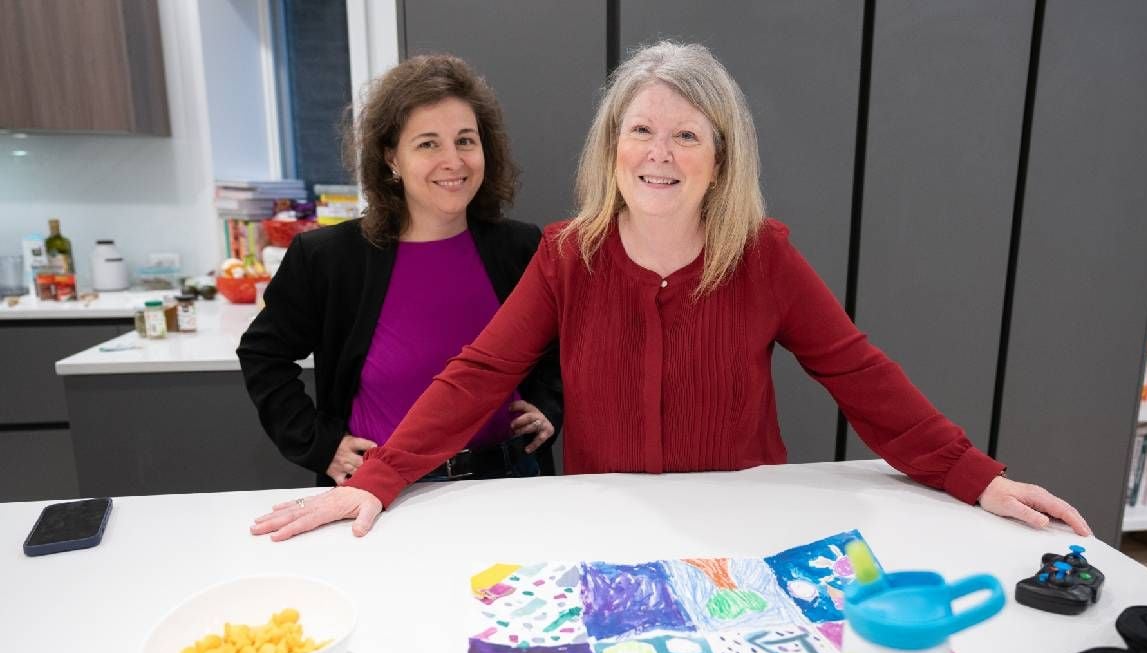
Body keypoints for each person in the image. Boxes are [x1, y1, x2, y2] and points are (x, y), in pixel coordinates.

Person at [250, 41, 1091, 542]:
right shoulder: (564, 256)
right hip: (607, 526)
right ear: (611, 146)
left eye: (685, 134)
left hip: (744, 525)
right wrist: (376, 478)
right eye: (640, 130)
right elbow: (479, 372)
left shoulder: (762, 257)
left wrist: (974, 474)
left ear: (719, 156)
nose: (659, 152)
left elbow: (860, 375)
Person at [238, 54, 562, 500]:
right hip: (383, 491)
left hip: (509, 482)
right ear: (391, 158)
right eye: (428, 144)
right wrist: (319, 444)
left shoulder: (523, 248)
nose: (453, 160)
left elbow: (559, 344)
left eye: (465, 140)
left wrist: (548, 404)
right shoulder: (329, 258)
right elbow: (262, 354)